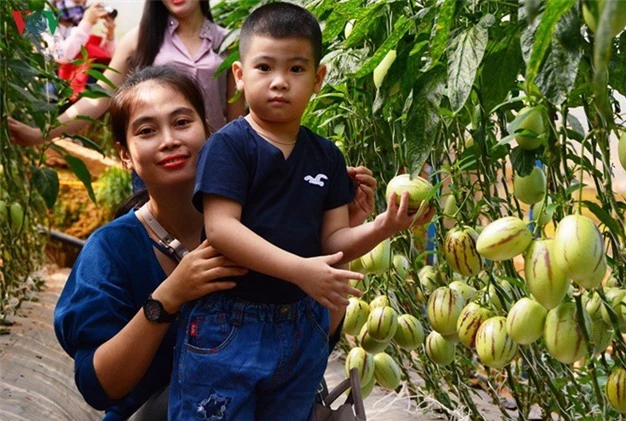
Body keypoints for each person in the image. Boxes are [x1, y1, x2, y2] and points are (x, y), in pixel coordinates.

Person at [53, 65, 376, 421]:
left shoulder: (270, 229)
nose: (169, 140)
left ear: (210, 132)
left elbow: (316, 338)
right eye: (147, 130)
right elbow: (99, 386)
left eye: (181, 122)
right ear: (124, 154)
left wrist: (339, 236)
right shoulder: (111, 251)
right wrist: (169, 297)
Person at [168, 3, 434, 420]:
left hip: (299, 325)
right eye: (264, 67)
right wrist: (300, 270)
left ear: (318, 79)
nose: (279, 82)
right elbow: (221, 229)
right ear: (240, 76)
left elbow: (333, 241)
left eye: (295, 69)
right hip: (228, 325)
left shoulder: (326, 156)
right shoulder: (229, 147)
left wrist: (385, 225)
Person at [9, 0, 245, 147]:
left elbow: (236, 119)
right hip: (158, 162)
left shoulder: (226, 43)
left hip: (213, 163)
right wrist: (39, 134)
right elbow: (97, 99)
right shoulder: (139, 39)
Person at [50, 0, 117, 101]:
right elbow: (61, 55)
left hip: (80, 81)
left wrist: (110, 37)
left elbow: (109, 58)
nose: (81, 4)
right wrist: (86, 23)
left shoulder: (82, 19)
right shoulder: (47, 17)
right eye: (76, 2)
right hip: (50, 78)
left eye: (83, 2)